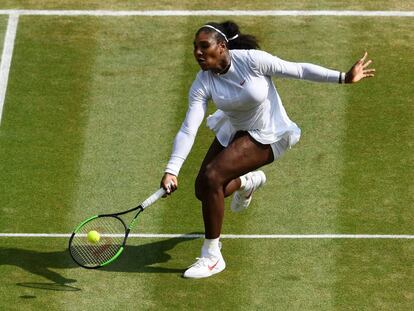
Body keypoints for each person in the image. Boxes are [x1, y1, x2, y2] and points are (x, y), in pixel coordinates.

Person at [160, 21, 375, 279]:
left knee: (212, 177)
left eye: (204, 46)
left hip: (269, 133)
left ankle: (212, 256)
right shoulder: (202, 83)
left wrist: (344, 77)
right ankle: (246, 182)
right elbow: (188, 128)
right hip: (236, 130)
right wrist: (172, 169)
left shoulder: (253, 61)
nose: (198, 53)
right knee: (203, 190)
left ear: (222, 46)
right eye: (195, 47)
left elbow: (298, 70)